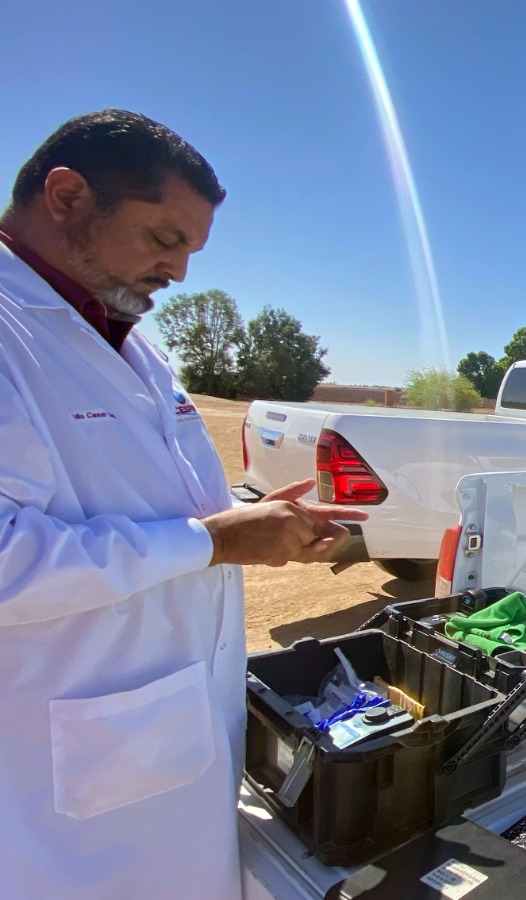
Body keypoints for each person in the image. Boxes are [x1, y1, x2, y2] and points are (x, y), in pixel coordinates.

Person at [0, 110, 366, 899]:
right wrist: (215, 541)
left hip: (170, 743)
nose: (180, 275)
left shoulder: (132, 340)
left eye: (192, 252)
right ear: (65, 195)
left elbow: (145, 495)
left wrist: (257, 518)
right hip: (67, 788)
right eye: (165, 240)